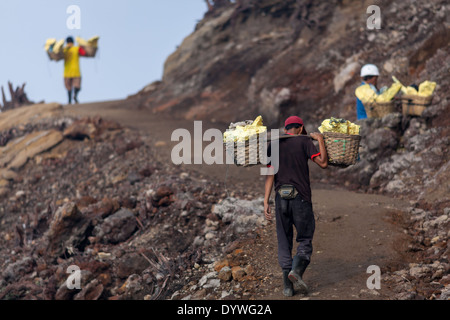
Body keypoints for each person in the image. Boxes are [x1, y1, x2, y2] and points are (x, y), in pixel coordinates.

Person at [264, 116, 328, 297]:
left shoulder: (273, 144)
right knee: (305, 238)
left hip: (280, 199)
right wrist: (321, 141)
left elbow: (270, 175)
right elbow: (323, 163)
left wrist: (265, 200)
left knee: (284, 240)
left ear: (286, 129)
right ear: (300, 128)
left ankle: (287, 287)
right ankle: (296, 272)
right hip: (301, 198)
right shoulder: (304, 141)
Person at [63, 36, 86, 104]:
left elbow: (57, 56)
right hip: (76, 71)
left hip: (67, 72)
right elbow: (84, 53)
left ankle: (69, 101)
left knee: (69, 88)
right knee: (77, 86)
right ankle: (75, 96)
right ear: (73, 42)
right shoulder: (77, 49)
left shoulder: (64, 50)